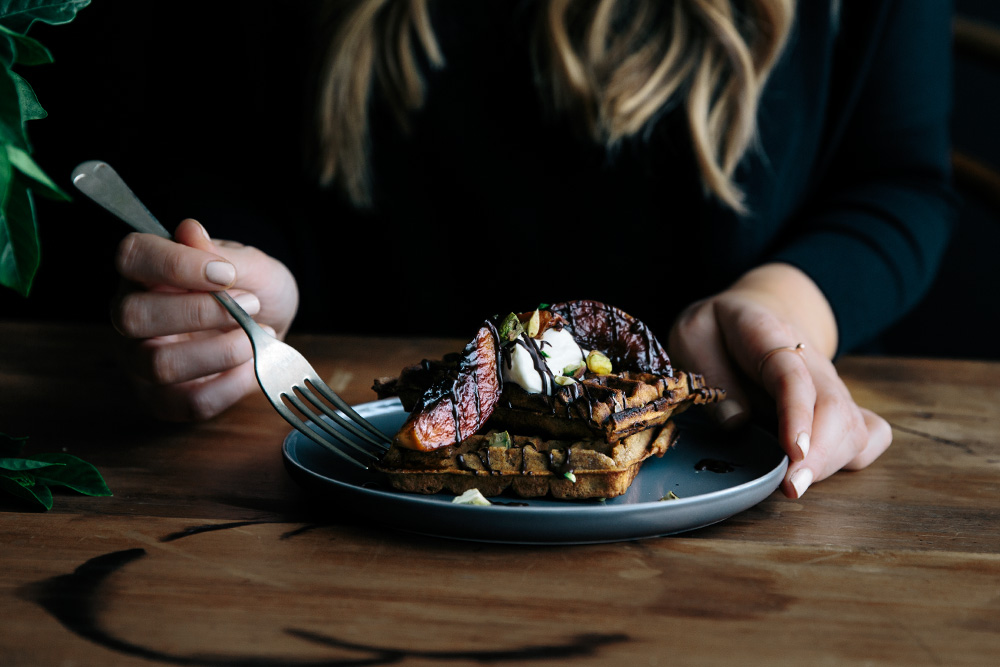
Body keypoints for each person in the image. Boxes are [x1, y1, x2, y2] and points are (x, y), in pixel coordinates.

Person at [107, 0, 955, 499]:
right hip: (337, 502)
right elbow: (221, 142)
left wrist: (777, 311)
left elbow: (896, 181)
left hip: (725, 487)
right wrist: (238, 289)